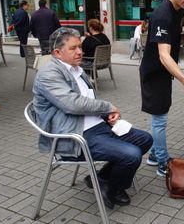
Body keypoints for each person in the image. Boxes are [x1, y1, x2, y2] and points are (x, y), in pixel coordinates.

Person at [32, 27, 153, 209]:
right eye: (73, 48)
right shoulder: (48, 73)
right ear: (57, 52)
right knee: (131, 155)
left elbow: (87, 99)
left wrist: (106, 115)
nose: (80, 51)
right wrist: (108, 106)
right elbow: (72, 103)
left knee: (145, 139)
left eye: (80, 46)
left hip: (97, 126)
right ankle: (114, 186)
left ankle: (103, 179)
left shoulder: (76, 69)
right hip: (75, 136)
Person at [139, 0, 184, 177]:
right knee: (160, 119)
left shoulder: (180, 9)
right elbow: (164, 55)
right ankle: (162, 163)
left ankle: (155, 156)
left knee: (162, 114)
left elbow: (174, 35)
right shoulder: (161, 15)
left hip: (164, 71)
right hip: (155, 72)